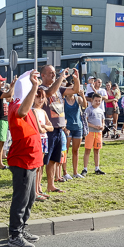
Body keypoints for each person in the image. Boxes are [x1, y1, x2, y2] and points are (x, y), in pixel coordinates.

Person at [7, 70, 43, 247]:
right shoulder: (16, 105)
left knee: (30, 197)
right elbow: (21, 112)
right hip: (22, 160)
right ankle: (15, 234)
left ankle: (21, 228)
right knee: (21, 199)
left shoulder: (24, 105)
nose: (35, 94)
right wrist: (34, 86)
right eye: (32, 90)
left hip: (31, 159)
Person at [38, 66, 80, 194]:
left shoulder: (59, 89)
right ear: (43, 75)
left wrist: (76, 79)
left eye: (54, 73)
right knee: (43, 160)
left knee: (53, 160)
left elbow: (75, 90)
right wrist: (61, 77)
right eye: (50, 73)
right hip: (47, 130)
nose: (53, 75)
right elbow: (50, 92)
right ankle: (38, 187)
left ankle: (51, 185)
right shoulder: (41, 89)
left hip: (59, 129)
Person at [31, 89, 52, 201]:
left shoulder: (43, 112)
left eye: (42, 97)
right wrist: (45, 128)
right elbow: (39, 129)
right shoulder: (32, 111)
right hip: (37, 139)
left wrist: (45, 127)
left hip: (44, 139)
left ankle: (38, 188)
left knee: (40, 166)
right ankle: (34, 191)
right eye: (38, 97)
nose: (40, 100)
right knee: (36, 166)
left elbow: (51, 127)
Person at [64, 83, 86, 178]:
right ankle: (65, 172)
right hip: (67, 128)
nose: (72, 90)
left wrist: (83, 95)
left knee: (76, 150)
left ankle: (75, 172)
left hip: (78, 127)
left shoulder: (78, 99)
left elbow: (84, 106)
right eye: (70, 88)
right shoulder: (63, 100)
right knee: (65, 151)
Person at [82, 94, 106, 176]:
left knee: (97, 150)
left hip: (98, 133)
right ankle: (85, 168)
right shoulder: (89, 109)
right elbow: (85, 121)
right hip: (90, 132)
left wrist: (102, 126)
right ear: (92, 100)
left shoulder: (101, 110)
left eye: (99, 101)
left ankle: (97, 168)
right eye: (96, 100)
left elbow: (103, 121)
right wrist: (94, 126)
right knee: (88, 150)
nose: (97, 102)